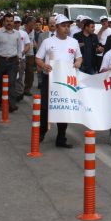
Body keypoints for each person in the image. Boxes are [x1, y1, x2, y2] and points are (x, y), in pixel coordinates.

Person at [35, 14, 82, 149]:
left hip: (66, 80)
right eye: (63, 26)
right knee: (45, 108)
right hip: (49, 79)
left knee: (64, 108)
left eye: (68, 26)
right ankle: (42, 131)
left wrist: (78, 62)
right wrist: (44, 65)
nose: (66, 28)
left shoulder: (73, 42)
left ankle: (61, 138)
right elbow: (38, 58)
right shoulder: (48, 42)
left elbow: (79, 57)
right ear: (56, 27)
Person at [0, 13, 23, 113]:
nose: (9, 23)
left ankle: (11, 104)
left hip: (13, 61)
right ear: (4, 22)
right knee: (1, 83)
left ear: (13, 22)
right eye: (7, 21)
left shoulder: (17, 33)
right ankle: (1, 103)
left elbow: (19, 48)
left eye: (11, 21)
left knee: (11, 82)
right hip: (0, 61)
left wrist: (19, 59)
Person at [13, 16, 31, 102]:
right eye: (15, 22)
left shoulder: (24, 33)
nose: (17, 24)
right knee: (11, 77)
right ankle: (12, 94)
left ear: (20, 23)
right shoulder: (9, 32)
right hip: (10, 59)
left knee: (19, 77)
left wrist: (22, 53)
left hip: (21, 59)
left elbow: (28, 45)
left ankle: (19, 94)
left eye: (18, 22)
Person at [22, 16, 38, 96]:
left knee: (30, 72)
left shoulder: (33, 31)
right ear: (28, 23)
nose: (34, 25)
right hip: (21, 54)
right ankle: (19, 89)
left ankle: (27, 89)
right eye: (33, 23)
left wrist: (35, 44)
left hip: (30, 54)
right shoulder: (21, 30)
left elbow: (32, 39)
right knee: (20, 72)